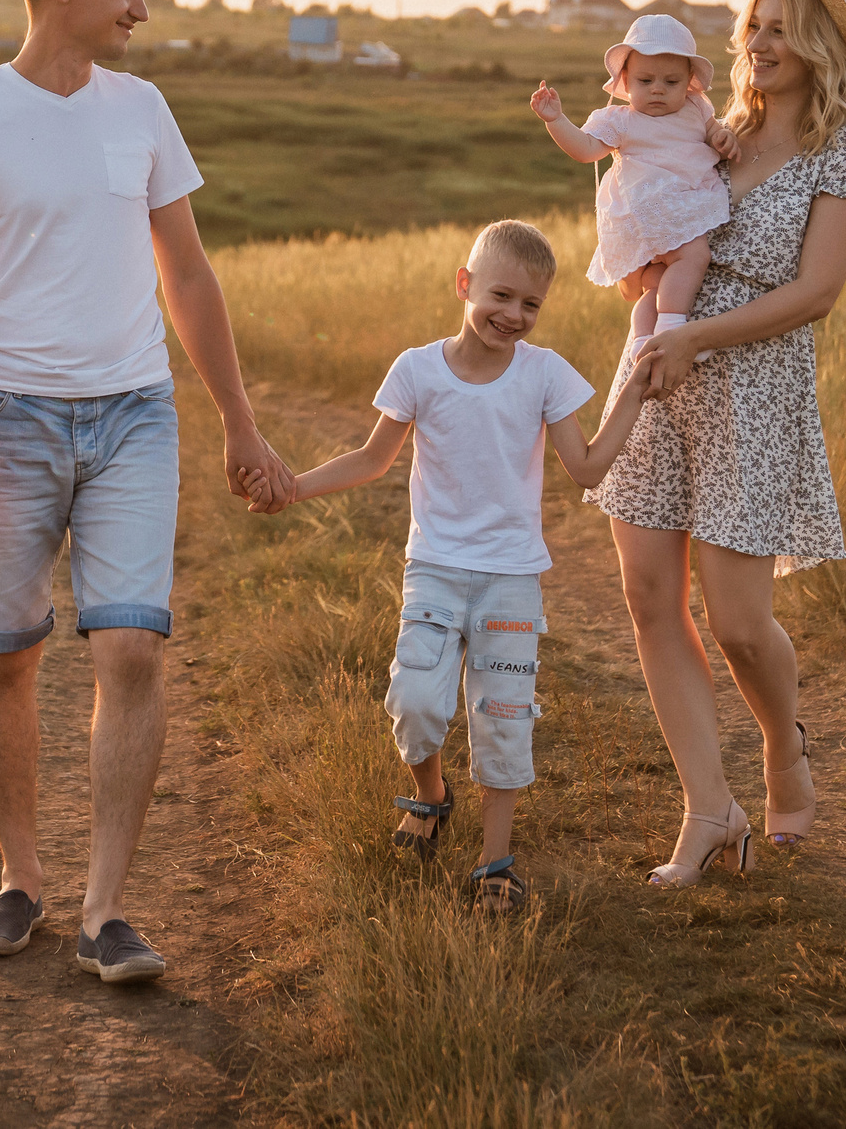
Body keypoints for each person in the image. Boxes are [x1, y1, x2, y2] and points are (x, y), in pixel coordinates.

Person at [0, 0, 297, 984]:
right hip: (2, 420)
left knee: (130, 649)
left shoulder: (144, 109)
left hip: (133, 416)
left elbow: (189, 273)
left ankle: (105, 911)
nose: (141, 8)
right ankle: (20, 879)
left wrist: (238, 419)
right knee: (5, 655)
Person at [588, 0, 846, 888]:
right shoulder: (713, 127)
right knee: (650, 596)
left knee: (738, 621)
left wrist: (698, 335)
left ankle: (782, 745)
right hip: (659, 371)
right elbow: (646, 212)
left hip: (754, 390)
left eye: (779, 29)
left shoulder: (844, 151)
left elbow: (816, 292)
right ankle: (708, 810)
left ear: (822, 47)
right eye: (753, 25)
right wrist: (644, 281)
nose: (757, 44)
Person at [250, 220, 651, 914]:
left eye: (531, 304)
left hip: (510, 579)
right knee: (415, 703)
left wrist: (634, 395)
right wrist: (294, 487)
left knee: (504, 716)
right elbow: (372, 459)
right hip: (434, 569)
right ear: (464, 285)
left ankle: (495, 861)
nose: (514, 315)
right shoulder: (417, 370)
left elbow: (586, 467)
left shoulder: (545, 374)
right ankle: (433, 795)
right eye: (501, 295)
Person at [529, 12, 739, 343]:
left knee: (655, 282)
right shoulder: (621, 120)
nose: (658, 90)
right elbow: (585, 149)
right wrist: (556, 121)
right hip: (652, 209)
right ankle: (672, 327)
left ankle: (642, 339)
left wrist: (723, 138)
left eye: (671, 82)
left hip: (680, 207)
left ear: (689, 82)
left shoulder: (696, 108)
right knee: (695, 256)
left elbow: (714, 132)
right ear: (626, 81)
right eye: (645, 81)